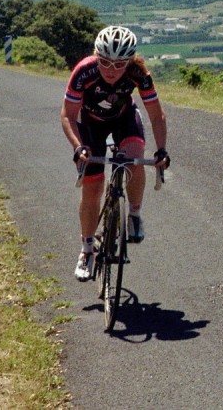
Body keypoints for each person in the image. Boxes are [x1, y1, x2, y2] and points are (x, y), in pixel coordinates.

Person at [61, 25, 170, 281]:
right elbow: (68, 115)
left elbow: (157, 115)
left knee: (135, 158)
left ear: (129, 62)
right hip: (90, 125)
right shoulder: (84, 71)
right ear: (96, 56)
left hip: (123, 119)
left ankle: (134, 214)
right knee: (92, 187)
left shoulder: (139, 73)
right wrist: (78, 146)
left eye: (120, 64)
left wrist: (162, 150)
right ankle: (87, 249)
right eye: (105, 62)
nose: (111, 70)